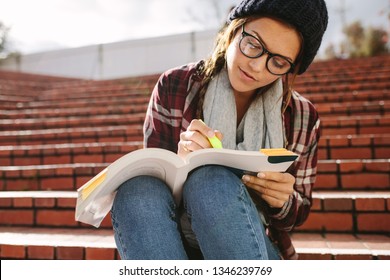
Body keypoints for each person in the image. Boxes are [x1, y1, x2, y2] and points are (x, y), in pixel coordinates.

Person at [111, 0, 328, 260]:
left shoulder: (302, 117)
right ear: (234, 30)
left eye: (279, 63)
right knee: (137, 191)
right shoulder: (175, 86)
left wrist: (282, 199)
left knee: (210, 182)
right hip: (173, 240)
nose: (257, 66)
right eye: (253, 45)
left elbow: (298, 212)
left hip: (251, 242)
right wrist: (178, 164)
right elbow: (154, 190)